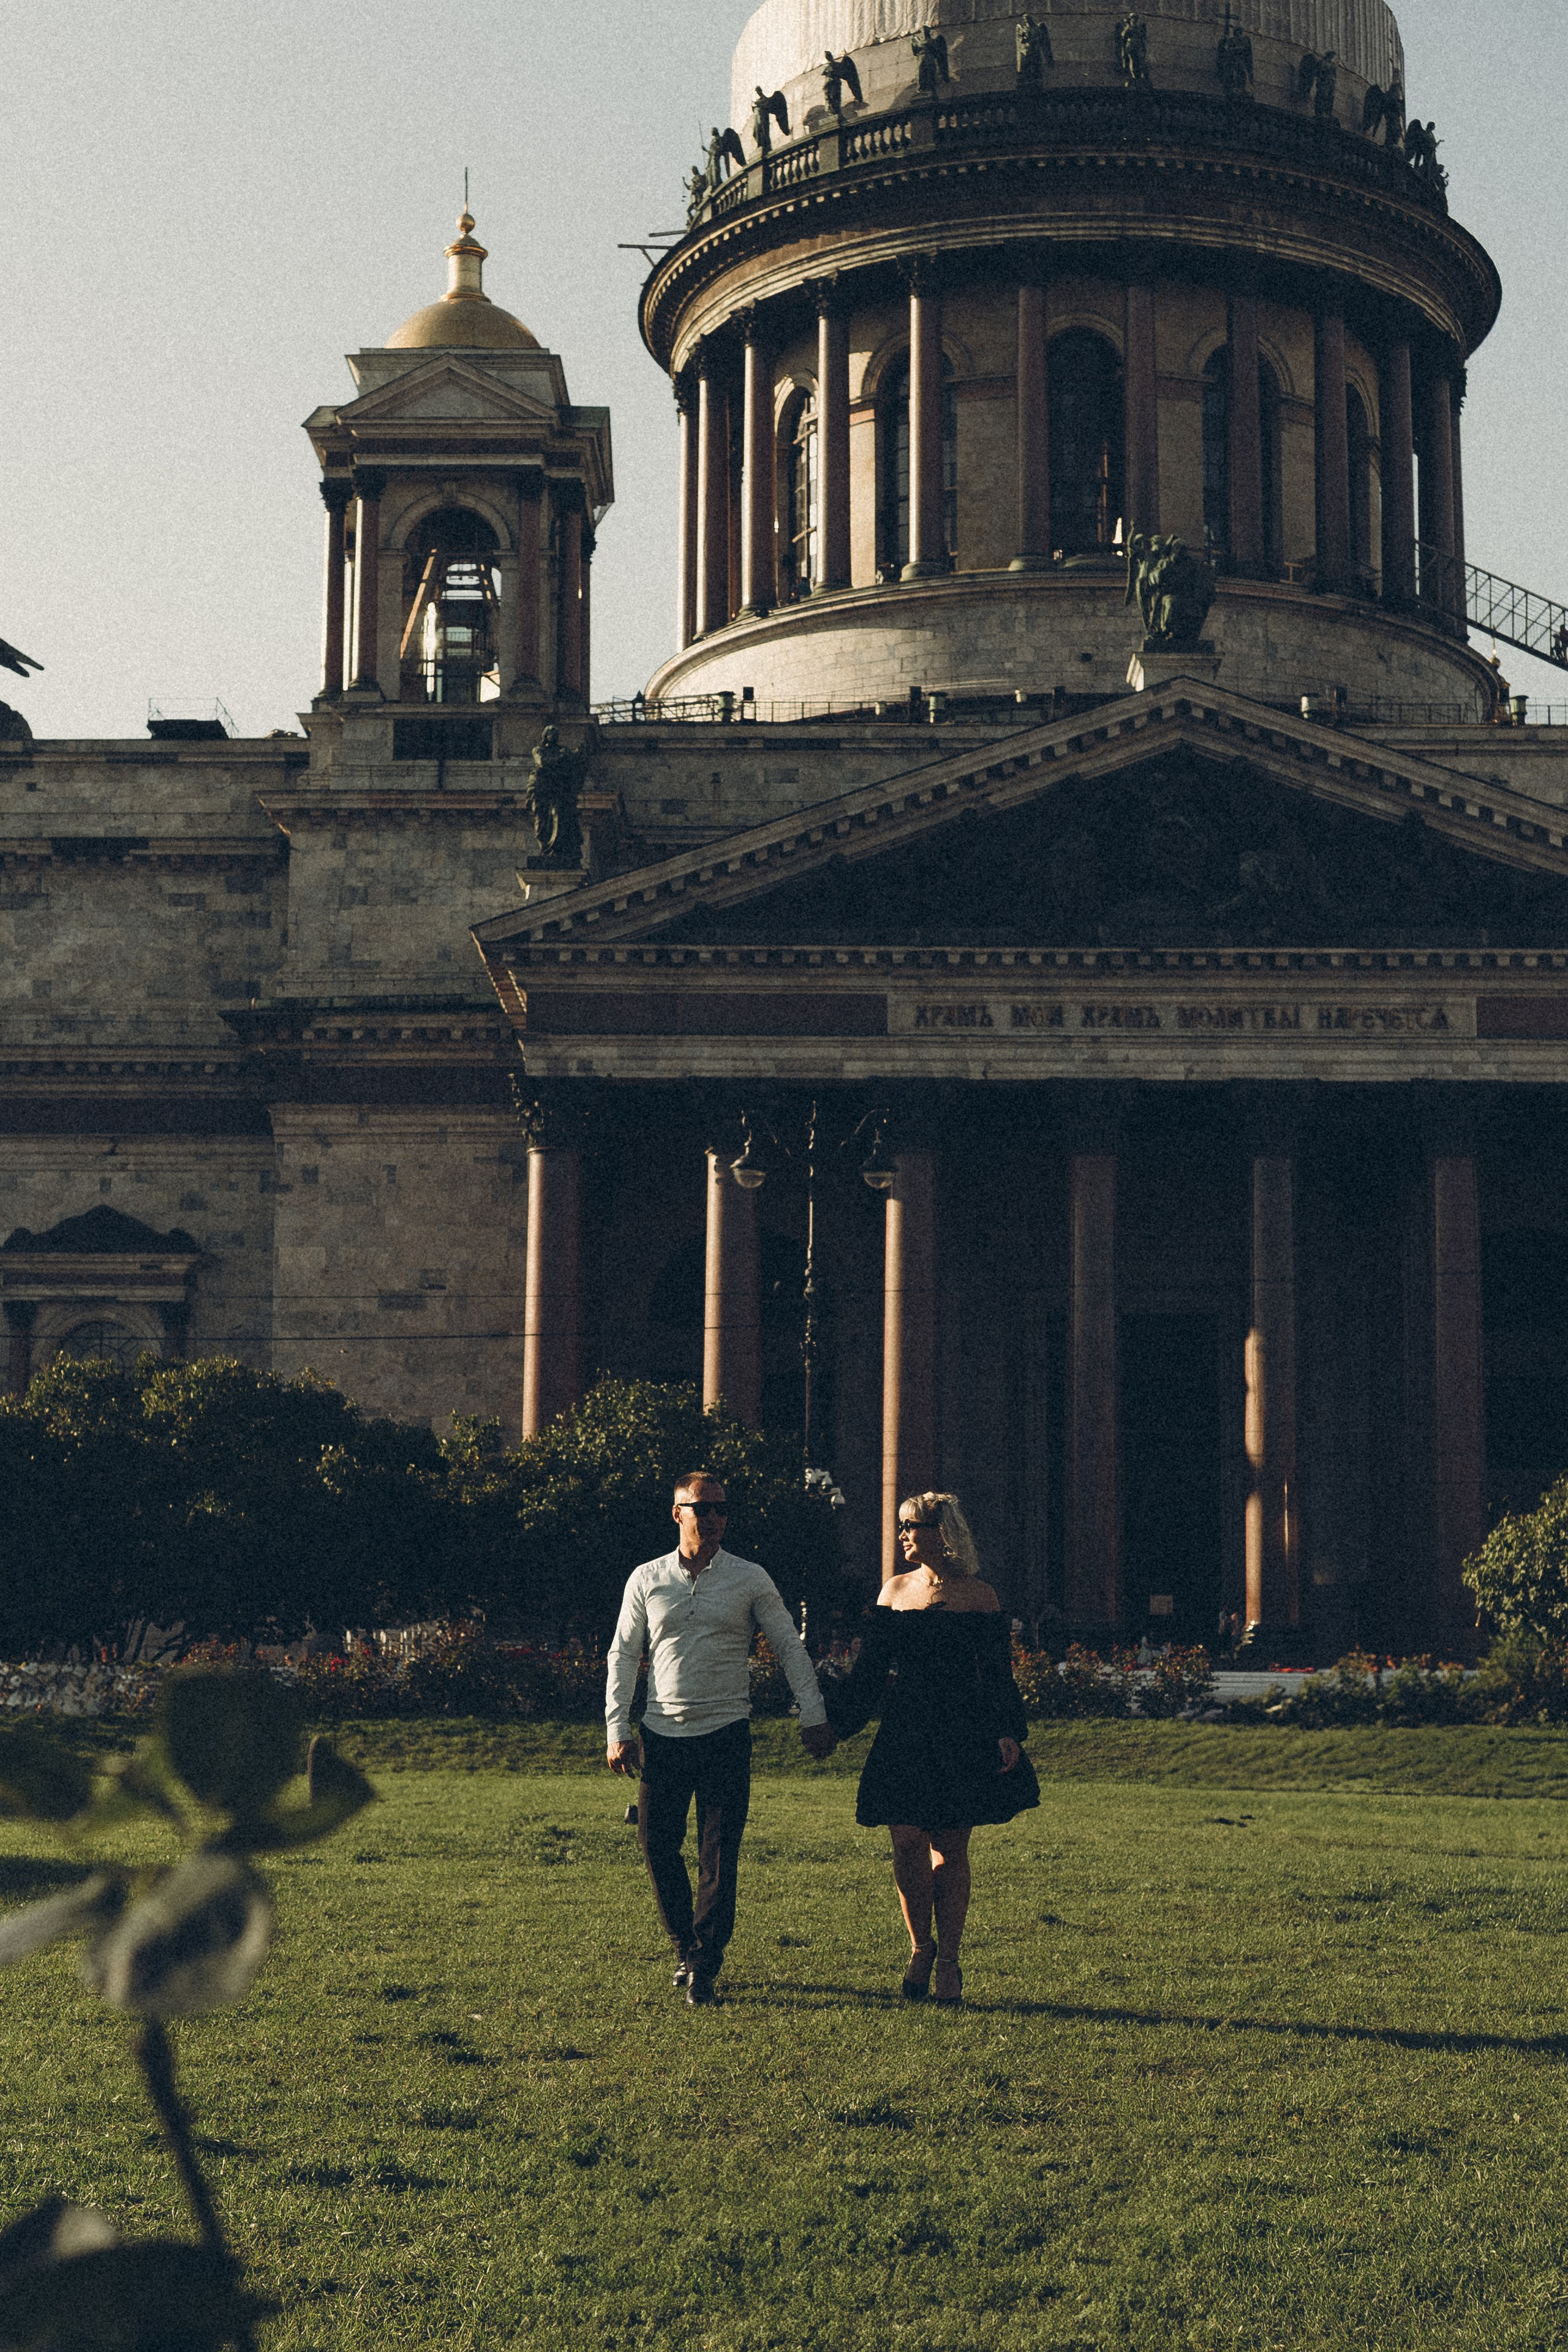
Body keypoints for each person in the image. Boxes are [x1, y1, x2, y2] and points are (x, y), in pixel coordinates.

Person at [606, 1471, 834, 2007]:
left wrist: (814, 1713)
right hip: (662, 1734)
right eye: (701, 1507)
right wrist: (618, 1729)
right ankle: (686, 1946)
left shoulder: (750, 1578)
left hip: (727, 1735)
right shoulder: (647, 1578)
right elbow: (623, 1653)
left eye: (721, 1509)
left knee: (718, 1854)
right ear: (677, 1512)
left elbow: (789, 1647)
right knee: (658, 1846)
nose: (712, 1518)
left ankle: (705, 1962)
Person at [821, 1491, 1039, 2005]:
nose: (902, 1536)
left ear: (942, 1532)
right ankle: (920, 1948)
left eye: (910, 1526)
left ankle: (948, 1964)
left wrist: (1007, 1731)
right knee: (906, 1841)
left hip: (965, 1731)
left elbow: (997, 1676)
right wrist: (834, 1726)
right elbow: (869, 1675)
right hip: (906, 1730)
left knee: (951, 1847)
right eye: (902, 1526)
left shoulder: (981, 1597)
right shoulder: (893, 1591)